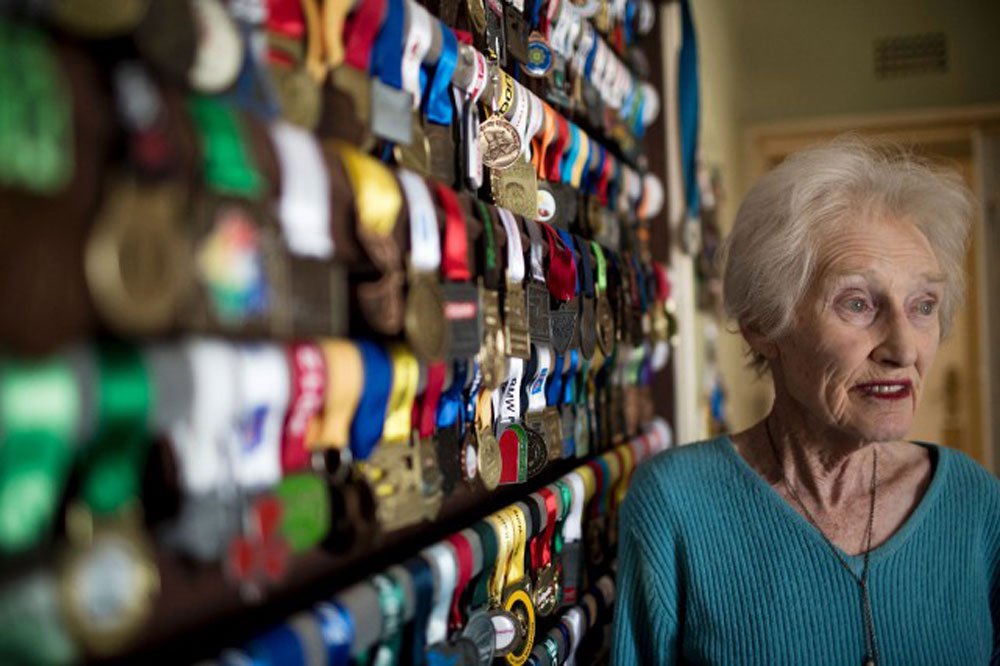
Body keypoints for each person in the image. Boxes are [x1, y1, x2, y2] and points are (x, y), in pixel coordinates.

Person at [612, 137, 1000, 665]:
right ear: (762, 325)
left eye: (923, 305)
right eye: (858, 303)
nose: (905, 348)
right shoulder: (676, 504)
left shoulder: (975, 504)